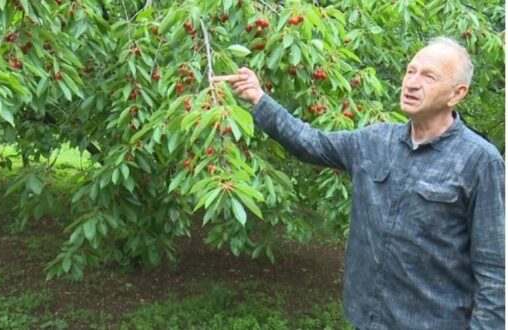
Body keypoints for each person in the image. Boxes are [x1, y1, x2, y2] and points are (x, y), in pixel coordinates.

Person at [214, 37, 505, 329]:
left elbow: (495, 272)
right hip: (367, 320)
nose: (412, 82)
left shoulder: (480, 162)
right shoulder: (375, 142)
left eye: (429, 76)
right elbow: (311, 143)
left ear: (457, 93)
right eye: (410, 71)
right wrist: (259, 99)